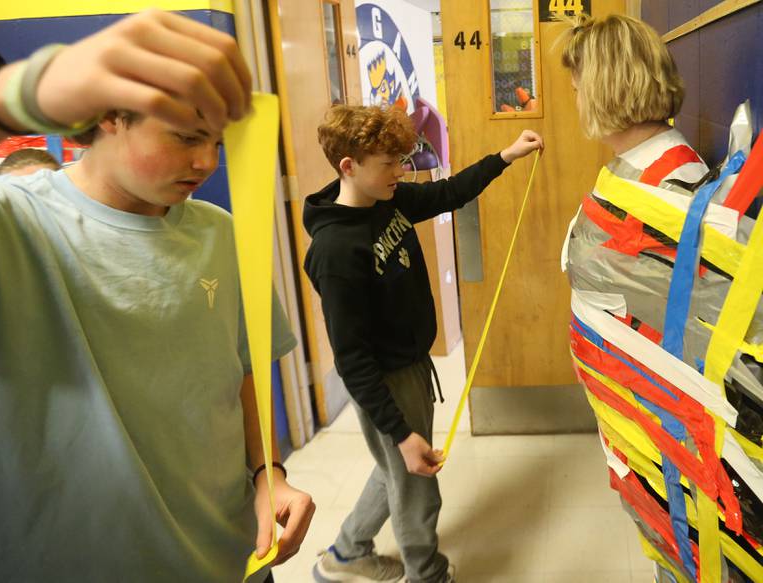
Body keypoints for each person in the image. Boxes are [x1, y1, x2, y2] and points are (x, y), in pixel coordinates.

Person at [0, 10, 314, 583]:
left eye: (216, 142)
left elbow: (241, 366)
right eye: (185, 137)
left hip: (232, 557)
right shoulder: (0, 223)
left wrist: (267, 471)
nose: (206, 162)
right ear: (108, 117)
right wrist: (19, 92)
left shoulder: (218, 230)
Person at [304, 104, 542, 583]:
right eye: (388, 163)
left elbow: (447, 192)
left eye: (400, 160)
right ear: (348, 166)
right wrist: (398, 426)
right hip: (385, 380)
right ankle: (426, 572)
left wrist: (506, 156)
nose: (401, 172)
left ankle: (346, 554)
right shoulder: (335, 251)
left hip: (409, 366)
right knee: (416, 480)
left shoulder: (384, 200)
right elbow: (351, 359)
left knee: (396, 466)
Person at [557, 14, 751, 583]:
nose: (573, 97)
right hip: (647, 439)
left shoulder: (676, 199)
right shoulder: (638, 178)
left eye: (576, 85)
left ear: (602, 86)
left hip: (688, 469)